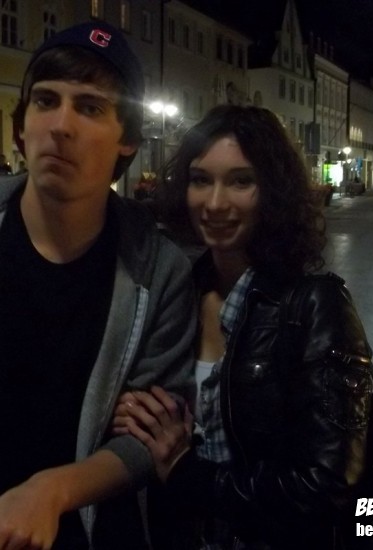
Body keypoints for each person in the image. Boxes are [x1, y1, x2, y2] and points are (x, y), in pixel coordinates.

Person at [113, 105, 373, 549]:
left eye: (240, 181)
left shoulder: (313, 305)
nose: (215, 203)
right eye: (201, 180)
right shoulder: (179, 291)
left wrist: (189, 474)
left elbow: (325, 487)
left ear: (273, 191)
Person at [0, 20, 195, 550]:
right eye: (46, 101)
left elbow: (150, 438)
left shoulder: (158, 270)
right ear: (21, 126)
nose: (61, 125)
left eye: (89, 108)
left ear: (127, 140)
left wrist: (52, 491)